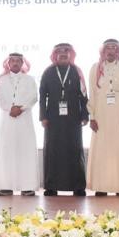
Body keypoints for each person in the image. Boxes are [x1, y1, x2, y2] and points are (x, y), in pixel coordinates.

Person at [38, 43, 88, 197]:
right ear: (55, 55)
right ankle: (51, 186)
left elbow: (83, 95)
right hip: (53, 118)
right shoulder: (48, 72)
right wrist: (43, 116)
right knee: (53, 150)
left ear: (71, 54)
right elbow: (42, 96)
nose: (63, 54)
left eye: (66, 51)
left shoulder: (77, 72)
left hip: (74, 118)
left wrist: (85, 115)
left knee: (75, 150)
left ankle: (78, 186)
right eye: (59, 52)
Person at [87, 39, 119, 196]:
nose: (111, 51)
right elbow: (92, 93)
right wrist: (92, 117)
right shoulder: (95, 68)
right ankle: (101, 186)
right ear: (103, 51)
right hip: (101, 115)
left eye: (114, 48)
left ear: (118, 51)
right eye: (108, 48)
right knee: (102, 150)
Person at [0, 52, 39, 196]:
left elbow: (33, 97)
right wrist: (10, 108)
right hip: (7, 120)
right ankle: (6, 186)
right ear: (8, 63)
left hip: (24, 119)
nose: (15, 63)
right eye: (12, 61)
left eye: (18, 61)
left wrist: (21, 108)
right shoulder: (0, 80)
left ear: (22, 63)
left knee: (26, 151)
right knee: (6, 151)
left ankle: (27, 186)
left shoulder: (29, 80)